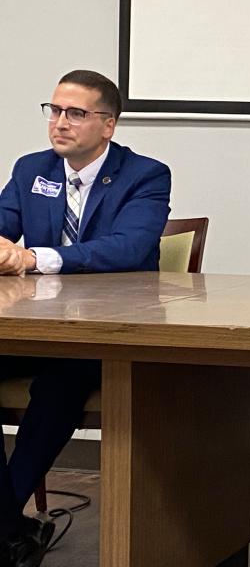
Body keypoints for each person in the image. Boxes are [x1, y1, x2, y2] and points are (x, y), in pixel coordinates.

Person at [0, 70, 170, 567]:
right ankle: (10, 527)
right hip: (35, 328)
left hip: (109, 333)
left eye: (75, 113)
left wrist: (36, 258)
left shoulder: (145, 174)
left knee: (61, 385)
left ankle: (6, 523)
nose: (60, 123)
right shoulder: (32, 169)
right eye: (54, 111)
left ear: (108, 125)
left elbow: (129, 249)